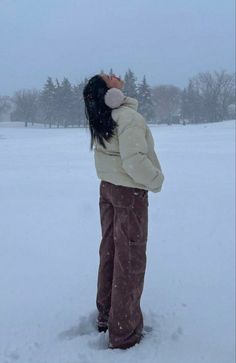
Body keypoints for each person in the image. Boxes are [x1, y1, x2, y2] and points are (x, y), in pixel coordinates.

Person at [83, 73, 164, 349]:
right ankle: (124, 332)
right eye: (110, 77)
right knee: (129, 258)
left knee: (111, 251)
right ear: (110, 93)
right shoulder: (128, 118)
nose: (116, 76)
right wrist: (156, 181)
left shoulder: (106, 118)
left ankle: (107, 316)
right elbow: (134, 162)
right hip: (129, 194)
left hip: (108, 189)